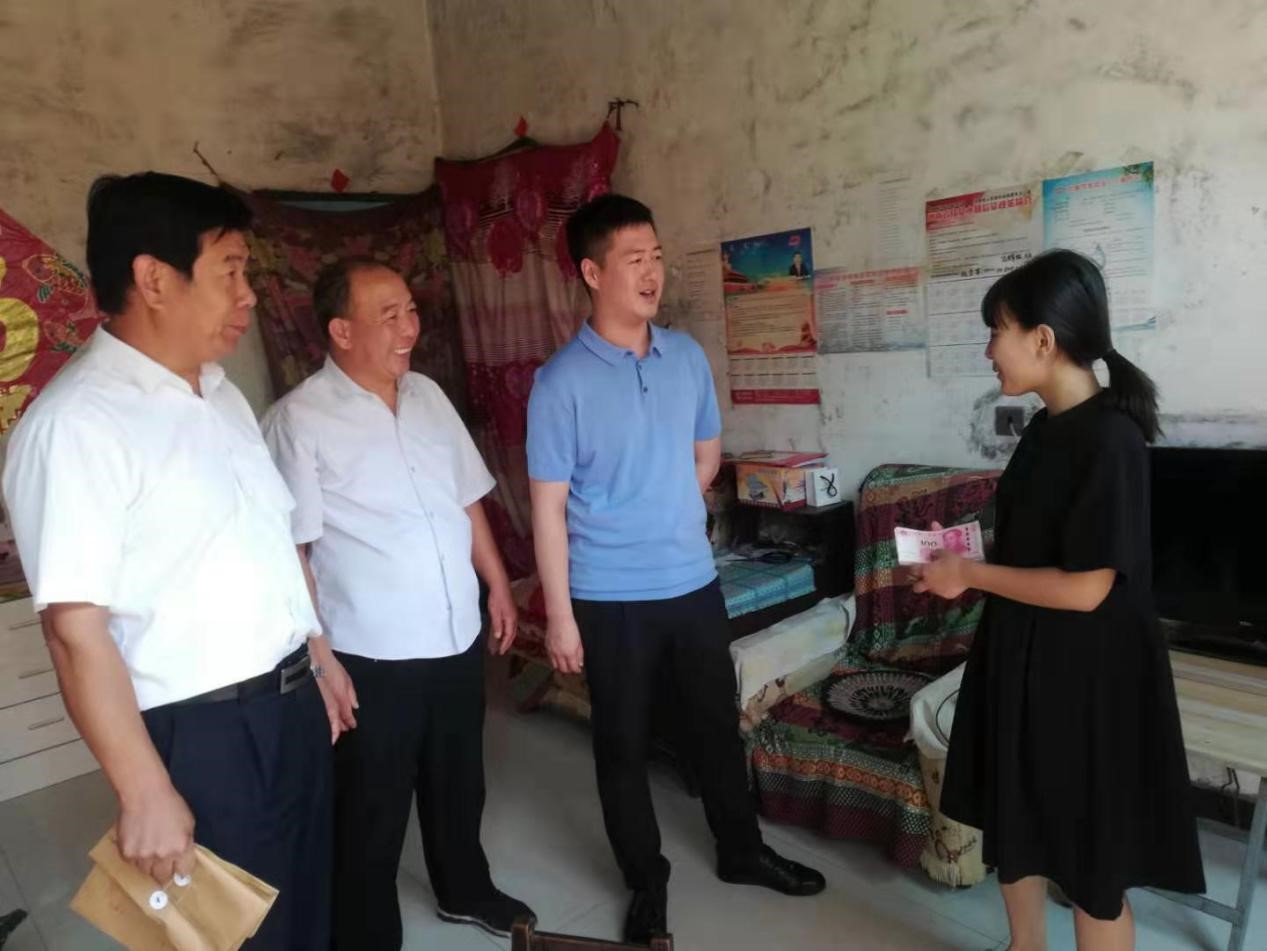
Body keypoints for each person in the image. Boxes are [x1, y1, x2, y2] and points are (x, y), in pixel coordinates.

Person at [2, 172, 339, 948]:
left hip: (290, 704)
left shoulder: (220, 396)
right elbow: (74, 631)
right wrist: (144, 788)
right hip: (204, 734)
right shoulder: (75, 427)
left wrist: (317, 656)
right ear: (154, 279)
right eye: (230, 270)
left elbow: (267, 545)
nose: (248, 295)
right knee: (238, 934)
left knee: (306, 912)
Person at [527, 194, 825, 945]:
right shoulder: (559, 383)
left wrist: (663, 512)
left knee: (715, 727)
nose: (651, 272)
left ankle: (741, 849)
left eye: (656, 256)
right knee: (622, 745)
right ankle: (646, 879)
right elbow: (547, 509)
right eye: (634, 259)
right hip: (608, 596)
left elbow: (706, 458)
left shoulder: (686, 357)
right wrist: (560, 616)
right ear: (591, 272)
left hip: (692, 582)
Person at [911, 249, 1204, 951]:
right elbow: (1033, 544)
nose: (989, 350)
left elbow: (1087, 587)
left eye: (997, 331)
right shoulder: (1044, 427)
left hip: (1087, 680)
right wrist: (958, 556)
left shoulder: (1111, 439)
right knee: (1018, 827)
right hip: (1022, 658)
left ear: (1042, 339)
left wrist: (971, 575)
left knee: (1090, 864)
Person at [262, 258, 534, 948]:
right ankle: (365, 931)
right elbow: (292, 550)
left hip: (454, 633)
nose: (409, 328)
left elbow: (466, 498)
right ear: (341, 331)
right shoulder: (299, 419)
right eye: (389, 316)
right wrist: (320, 656)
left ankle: (464, 888)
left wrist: (496, 583)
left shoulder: (427, 395)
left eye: (411, 310)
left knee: (458, 779)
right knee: (370, 803)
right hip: (370, 651)